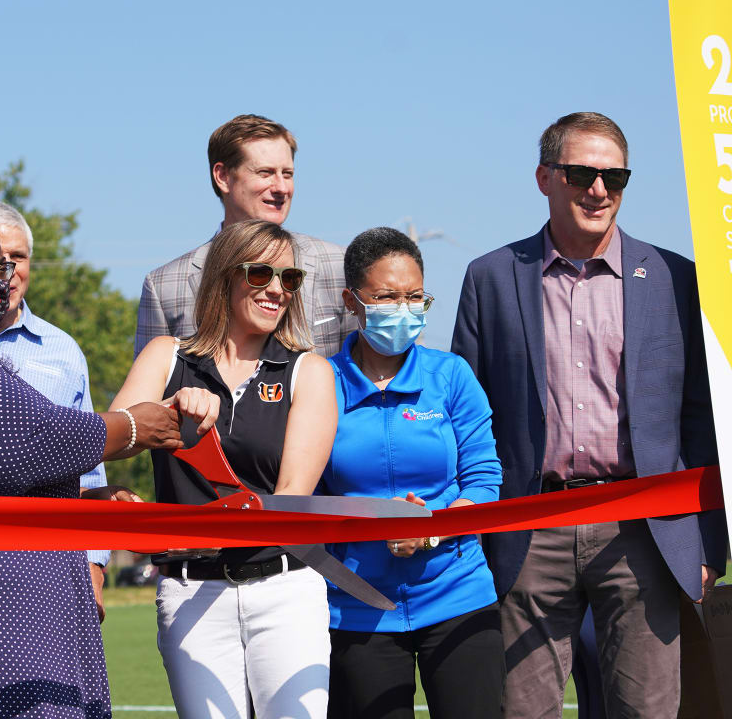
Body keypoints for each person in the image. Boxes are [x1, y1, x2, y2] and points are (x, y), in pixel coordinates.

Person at [0, 201, 211, 719]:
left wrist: (84, 496)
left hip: (25, 595)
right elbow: (27, 442)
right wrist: (133, 427)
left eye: (2, 267)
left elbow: (1, 467)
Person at [451, 111, 725, 718]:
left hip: (645, 529)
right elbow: (466, 418)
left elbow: (702, 421)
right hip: (529, 527)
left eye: (615, 177)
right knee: (523, 711)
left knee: (647, 709)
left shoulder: (677, 279)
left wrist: (707, 539)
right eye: (582, 174)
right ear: (545, 176)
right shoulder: (491, 278)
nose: (599, 191)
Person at [113, 219, 338, 718]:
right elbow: (110, 442)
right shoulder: (166, 355)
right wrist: (168, 409)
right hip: (191, 591)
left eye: (290, 279)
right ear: (225, 276)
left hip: (284, 589)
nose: (277, 289)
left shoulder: (310, 372)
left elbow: (290, 500)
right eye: (261, 273)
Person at [321, 227, 504, 719]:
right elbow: (305, 494)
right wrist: (375, 519)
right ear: (352, 301)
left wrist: (431, 531)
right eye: (386, 296)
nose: (403, 309)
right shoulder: (319, 383)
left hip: (457, 594)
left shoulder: (452, 376)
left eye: (414, 296)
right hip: (357, 606)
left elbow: (484, 481)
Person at [0, 199, 119, 621]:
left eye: (17, 257)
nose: (8, 269)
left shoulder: (64, 351)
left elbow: (91, 472)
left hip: (52, 560)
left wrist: (95, 567)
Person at [135, 113, 355, 358]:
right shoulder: (165, 286)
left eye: (288, 174)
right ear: (223, 177)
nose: (281, 187)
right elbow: (148, 392)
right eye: (265, 172)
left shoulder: (338, 265)